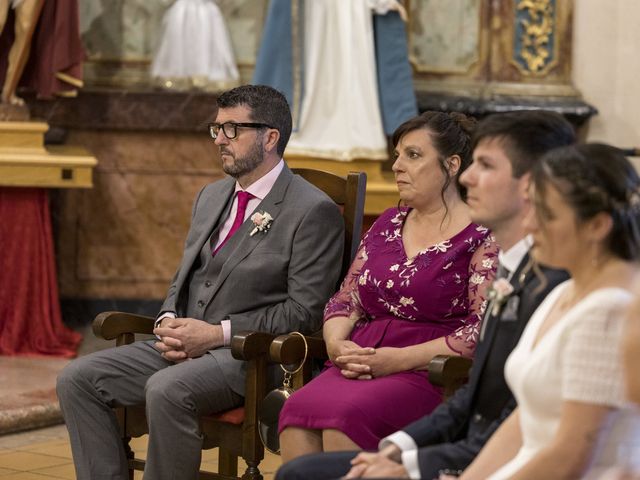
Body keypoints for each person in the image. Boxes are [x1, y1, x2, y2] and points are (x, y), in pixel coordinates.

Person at [56, 84, 345, 480]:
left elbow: (304, 311)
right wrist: (167, 320)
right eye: (216, 130)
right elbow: (184, 276)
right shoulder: (211, 196)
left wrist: (215, 335)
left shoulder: (313, 210)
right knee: (78, 378)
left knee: (166, 389)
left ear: (270, 137)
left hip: (250, 358)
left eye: (232, 130)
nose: (219, 141)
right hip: (183, 345)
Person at [275, 110, 575, 480]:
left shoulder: (491, 238)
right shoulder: (388, 222)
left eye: (413, 155)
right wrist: (337, 345)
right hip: (361, 355)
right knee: (296, 415)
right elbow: (346, 297)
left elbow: (476, 338)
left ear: (450, 166)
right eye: (397, 154)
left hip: (428, 364)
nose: (398, 166)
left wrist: (395, 361)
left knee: (343, 419)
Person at [455, 143, 640, 480]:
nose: (528, 225)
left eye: (545, 213)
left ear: (597, 225)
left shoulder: (608, 310)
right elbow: (526, 419)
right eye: (530, 208)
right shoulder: (563, 292)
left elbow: (570, 457)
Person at [252, 0, 417, 160]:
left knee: (351, 64)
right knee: (315, 60)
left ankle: (352, 138)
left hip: (352, 11)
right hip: (313, 11)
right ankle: (308, 134)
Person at [150, 0, 239, 91]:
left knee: (207, 44)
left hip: (205, 11)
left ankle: (206, 74)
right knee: (178, 46)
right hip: (182, 12)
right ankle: (179, 75)